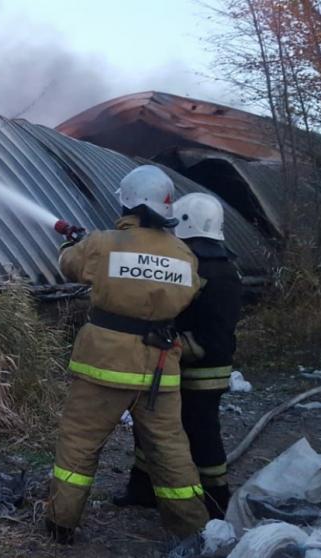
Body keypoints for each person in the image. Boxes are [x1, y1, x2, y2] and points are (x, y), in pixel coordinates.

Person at [46, 165, 210, 544]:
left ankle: (61, 523)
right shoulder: (184, 254)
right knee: (170, 449)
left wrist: (72, 243)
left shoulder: (102, 243)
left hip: (104, 365)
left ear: (128, 202)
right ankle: (194, 530)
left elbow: (69, 265)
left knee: (79, 443)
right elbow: (188, 295)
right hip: (160, 368)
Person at [114, 192, 243, 519]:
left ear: (185, 224)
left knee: (201, 434)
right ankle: (143, 489)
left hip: (198, 368)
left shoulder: (202, 268)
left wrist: (170, 341)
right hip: (189, 364)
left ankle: (216, 500)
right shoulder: (223, 265)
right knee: (150, 425)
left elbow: (204, 330)